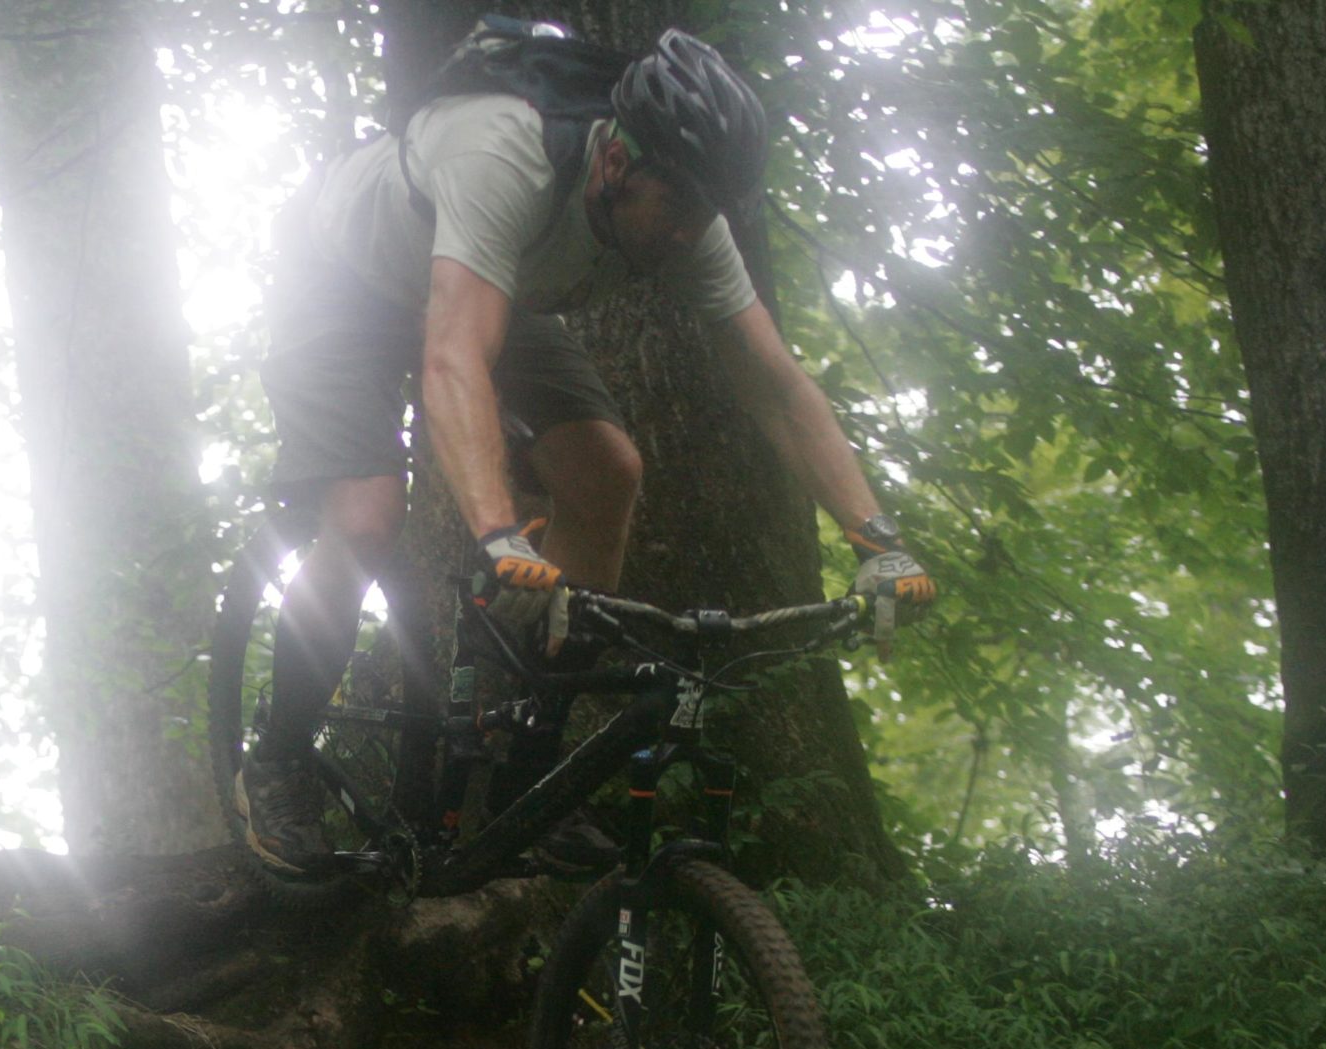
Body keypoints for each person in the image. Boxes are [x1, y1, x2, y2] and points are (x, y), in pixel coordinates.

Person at [236, 28, 936, 876]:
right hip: (341, 279)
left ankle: (532, 780)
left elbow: (779, 389)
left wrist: (877, 537)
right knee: (367, 516)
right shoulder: (504, 155)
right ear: (614, 166)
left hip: (490, 277)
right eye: (676, 210)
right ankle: (274, 759)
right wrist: (499, 535)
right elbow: (454, 355)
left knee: (609, 474)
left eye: (705, 215)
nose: (688, 235)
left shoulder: (685, 211)